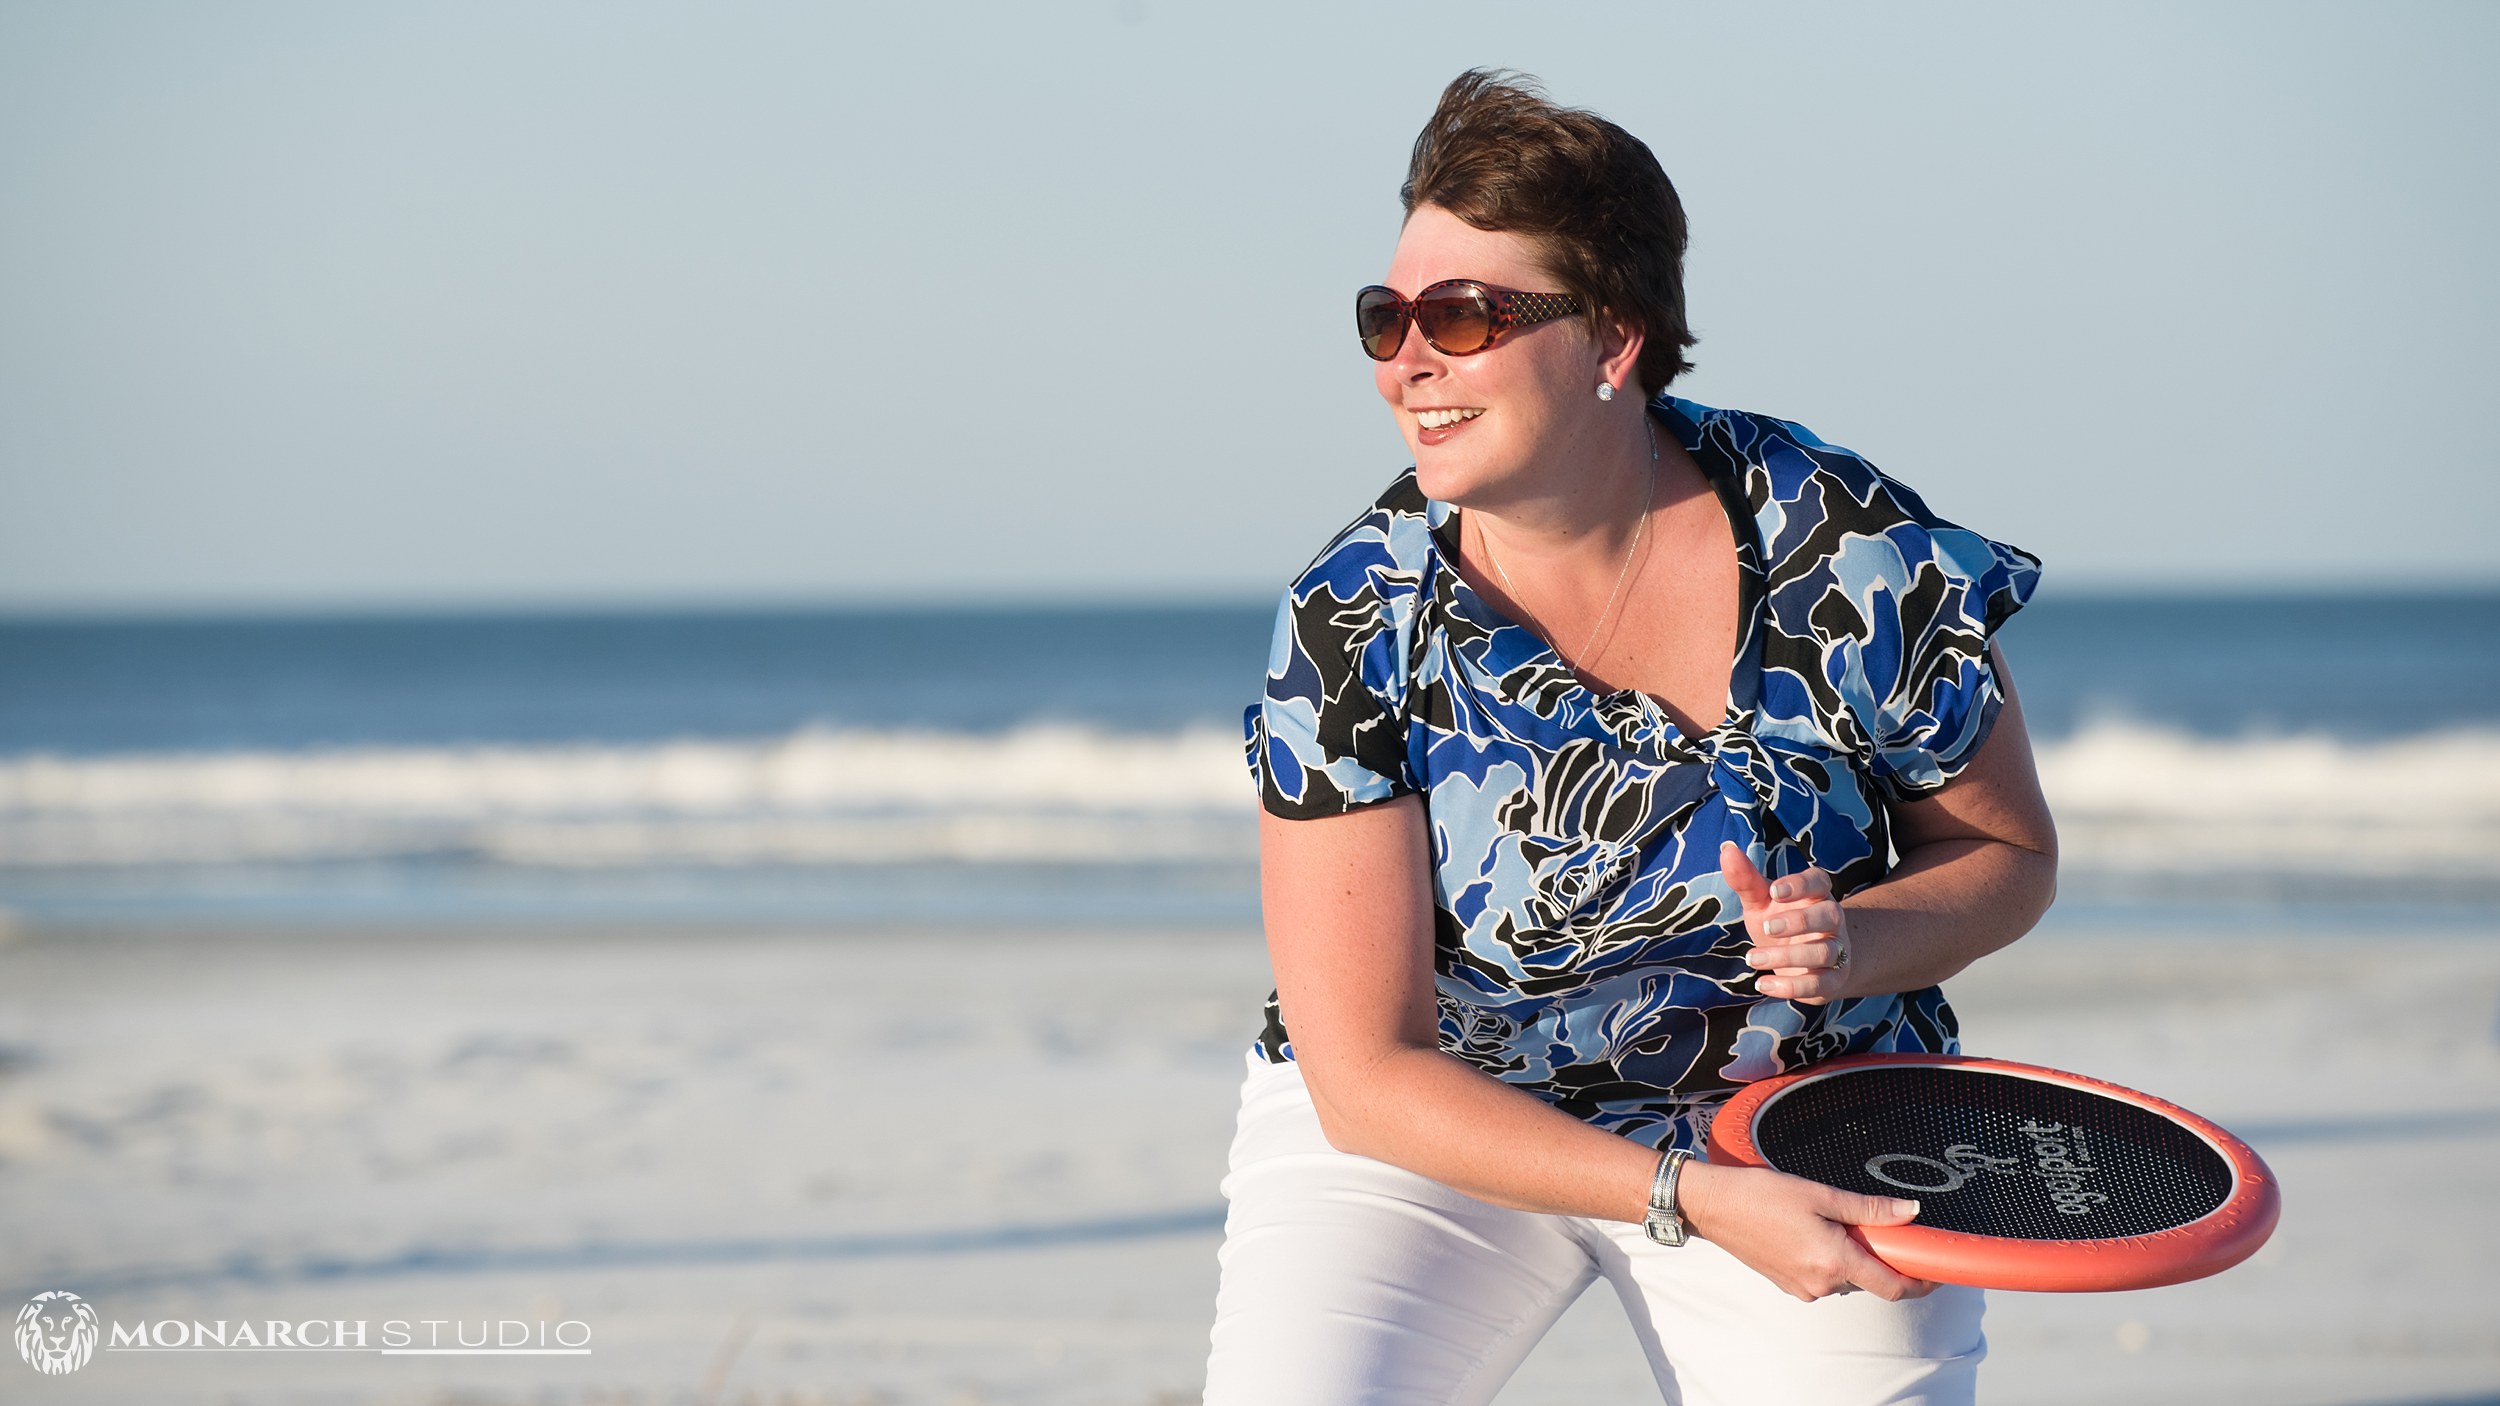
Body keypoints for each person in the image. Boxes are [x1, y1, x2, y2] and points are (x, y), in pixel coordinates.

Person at [1202, 71, 2058, 1405]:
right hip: (1451, 1119)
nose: (1406, 362)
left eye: (1464, 315)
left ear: (1612, 339)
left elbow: (2007, 854)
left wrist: (1856, 939)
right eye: (1387, 319)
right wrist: (1680, 1195)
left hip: (1801, 1115)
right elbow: (1364, 1074)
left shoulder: (1849, 550)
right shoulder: (1351, 615)